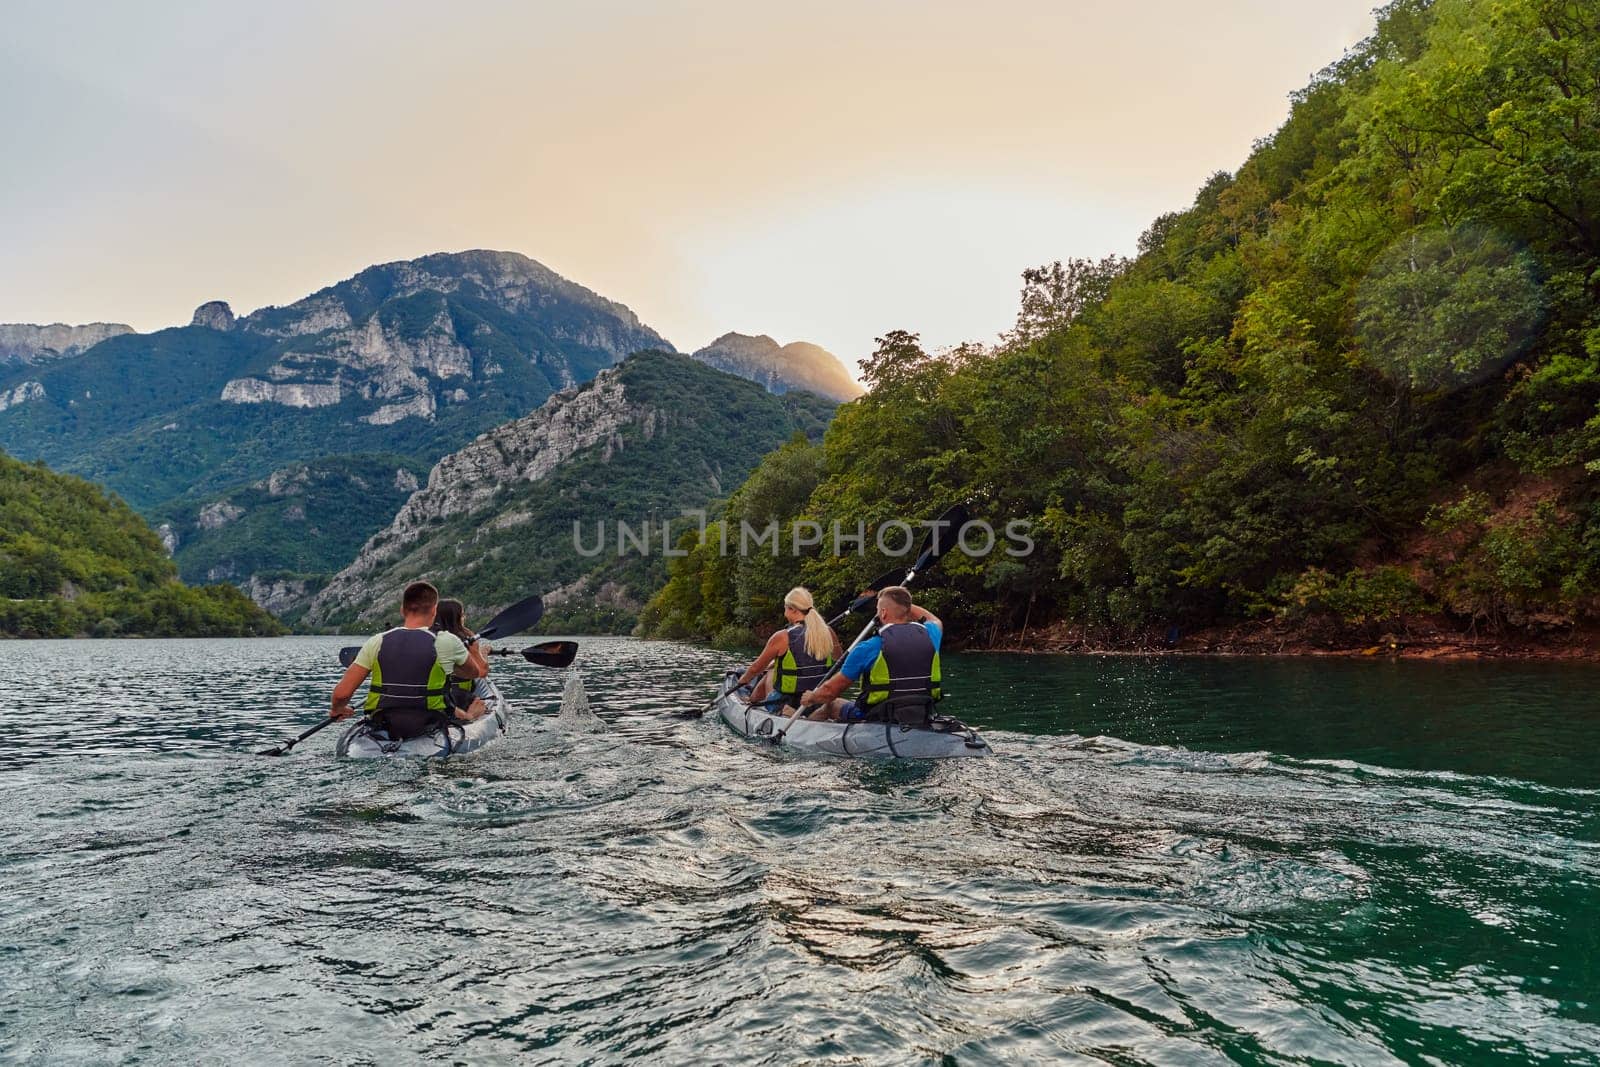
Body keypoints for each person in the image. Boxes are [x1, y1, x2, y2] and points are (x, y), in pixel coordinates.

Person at [328, 581, 487, 738]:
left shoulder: (376, 641)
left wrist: (338, 709)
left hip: (383, 721)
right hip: (431, 720)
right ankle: (469, 718)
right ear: (434, 611)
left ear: (402, 610)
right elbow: (473, 673)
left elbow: (341, 694)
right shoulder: (448, 641)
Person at [800, 586, 942, 725]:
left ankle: (803, 729)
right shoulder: (930, 635)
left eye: (878, 610)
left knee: (832, 704)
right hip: (922, 711)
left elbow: (830, 692)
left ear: (884, 613)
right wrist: (903, 605)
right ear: (907, 610)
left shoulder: (868, 647)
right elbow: (934, 619)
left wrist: (812, 697)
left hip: (879, 715)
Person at [729, 587, 844, 717]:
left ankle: (752, 703)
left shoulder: (782, 636)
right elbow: (839, 659)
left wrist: (742, 681)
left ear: (792, 610)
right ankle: (752, 701)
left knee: (771, 672)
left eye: (785, 607)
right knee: (773, 669)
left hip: (787, 702)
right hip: (817, 700)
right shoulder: (828, 631)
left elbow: (756, 668)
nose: (784, 611)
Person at [431, 598, 492, 721]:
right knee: (481, 705)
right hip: (457, 696)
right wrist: (481, 653)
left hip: (434, 695)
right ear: (456, 617)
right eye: (462, 614)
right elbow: (482, 672)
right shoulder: (461, 641)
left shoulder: (429, 637)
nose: (464, 617)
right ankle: (468, 717)